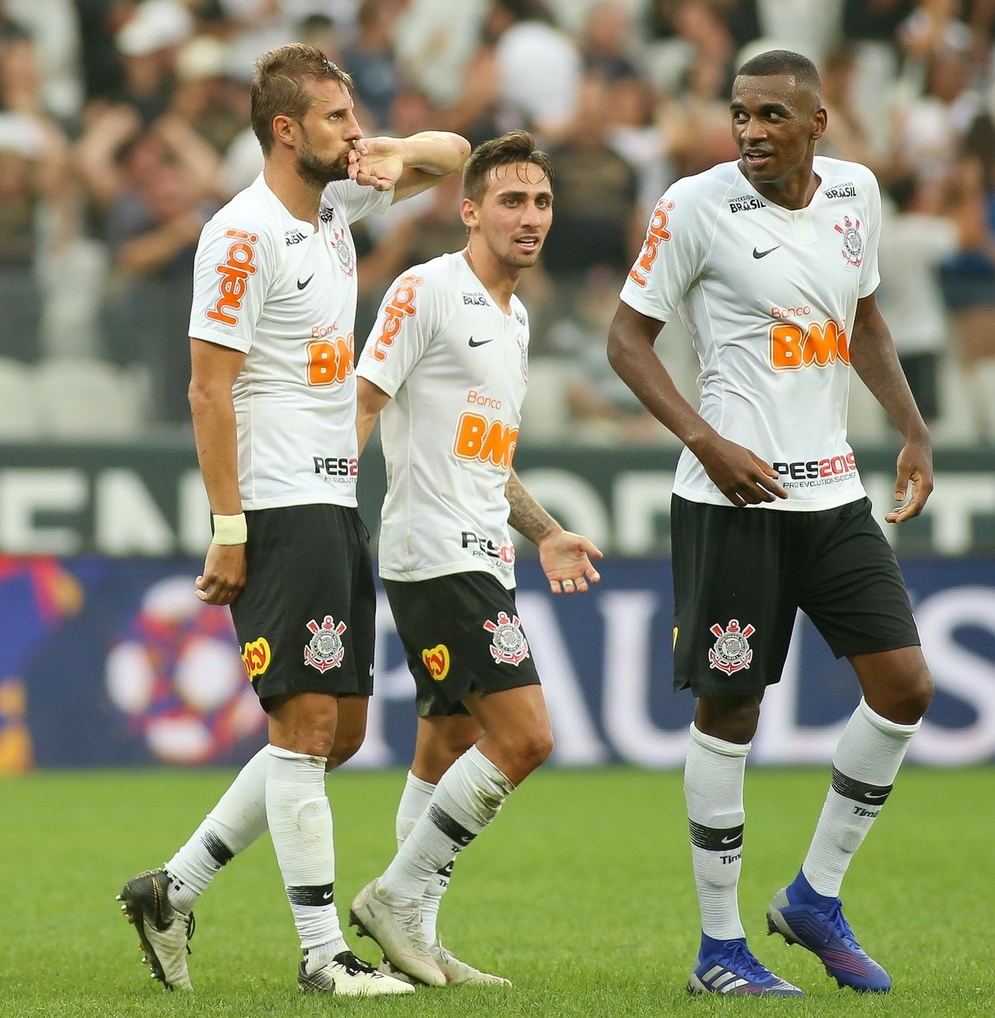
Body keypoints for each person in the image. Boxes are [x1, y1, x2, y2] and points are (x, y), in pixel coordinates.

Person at [115, 43, 469, 996]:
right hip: (276, 501)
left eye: (354, 119)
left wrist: (390, 150)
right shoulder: (241, 234)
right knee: (306, 721)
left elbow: (459, 154)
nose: (352, 134)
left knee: (339, 733)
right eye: (337, 121)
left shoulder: (334, 205)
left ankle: (173, 888)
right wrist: (228, 524)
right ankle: (324, 956)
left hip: (332, 493)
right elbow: (206, 389)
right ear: (285, 130)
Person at [606, 49, 935, 997]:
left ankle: (813, 898)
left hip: (832, 494)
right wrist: (706, 442)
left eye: (772, 116)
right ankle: (719, 947)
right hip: (731, 498)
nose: (751, 130)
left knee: (905, 688)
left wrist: (911, 429)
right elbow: (627, 340)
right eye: (740, 114)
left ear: (818, 123)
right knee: (731, 711)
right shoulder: (695, 205)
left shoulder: (856, 195)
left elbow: (864, 321)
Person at [347, 130, 604, 988]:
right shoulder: (425, 290)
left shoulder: (516, 316)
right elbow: (362, 403)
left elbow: (487, 455)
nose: (530, 217)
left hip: (485, 548)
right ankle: (396, 895)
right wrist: (320, 512)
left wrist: (545, 532)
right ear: (469, 210)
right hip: (433, 548)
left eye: (541, 203)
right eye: (510, 201)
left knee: (445, 745)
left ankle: (414, 933)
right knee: (525, 737)